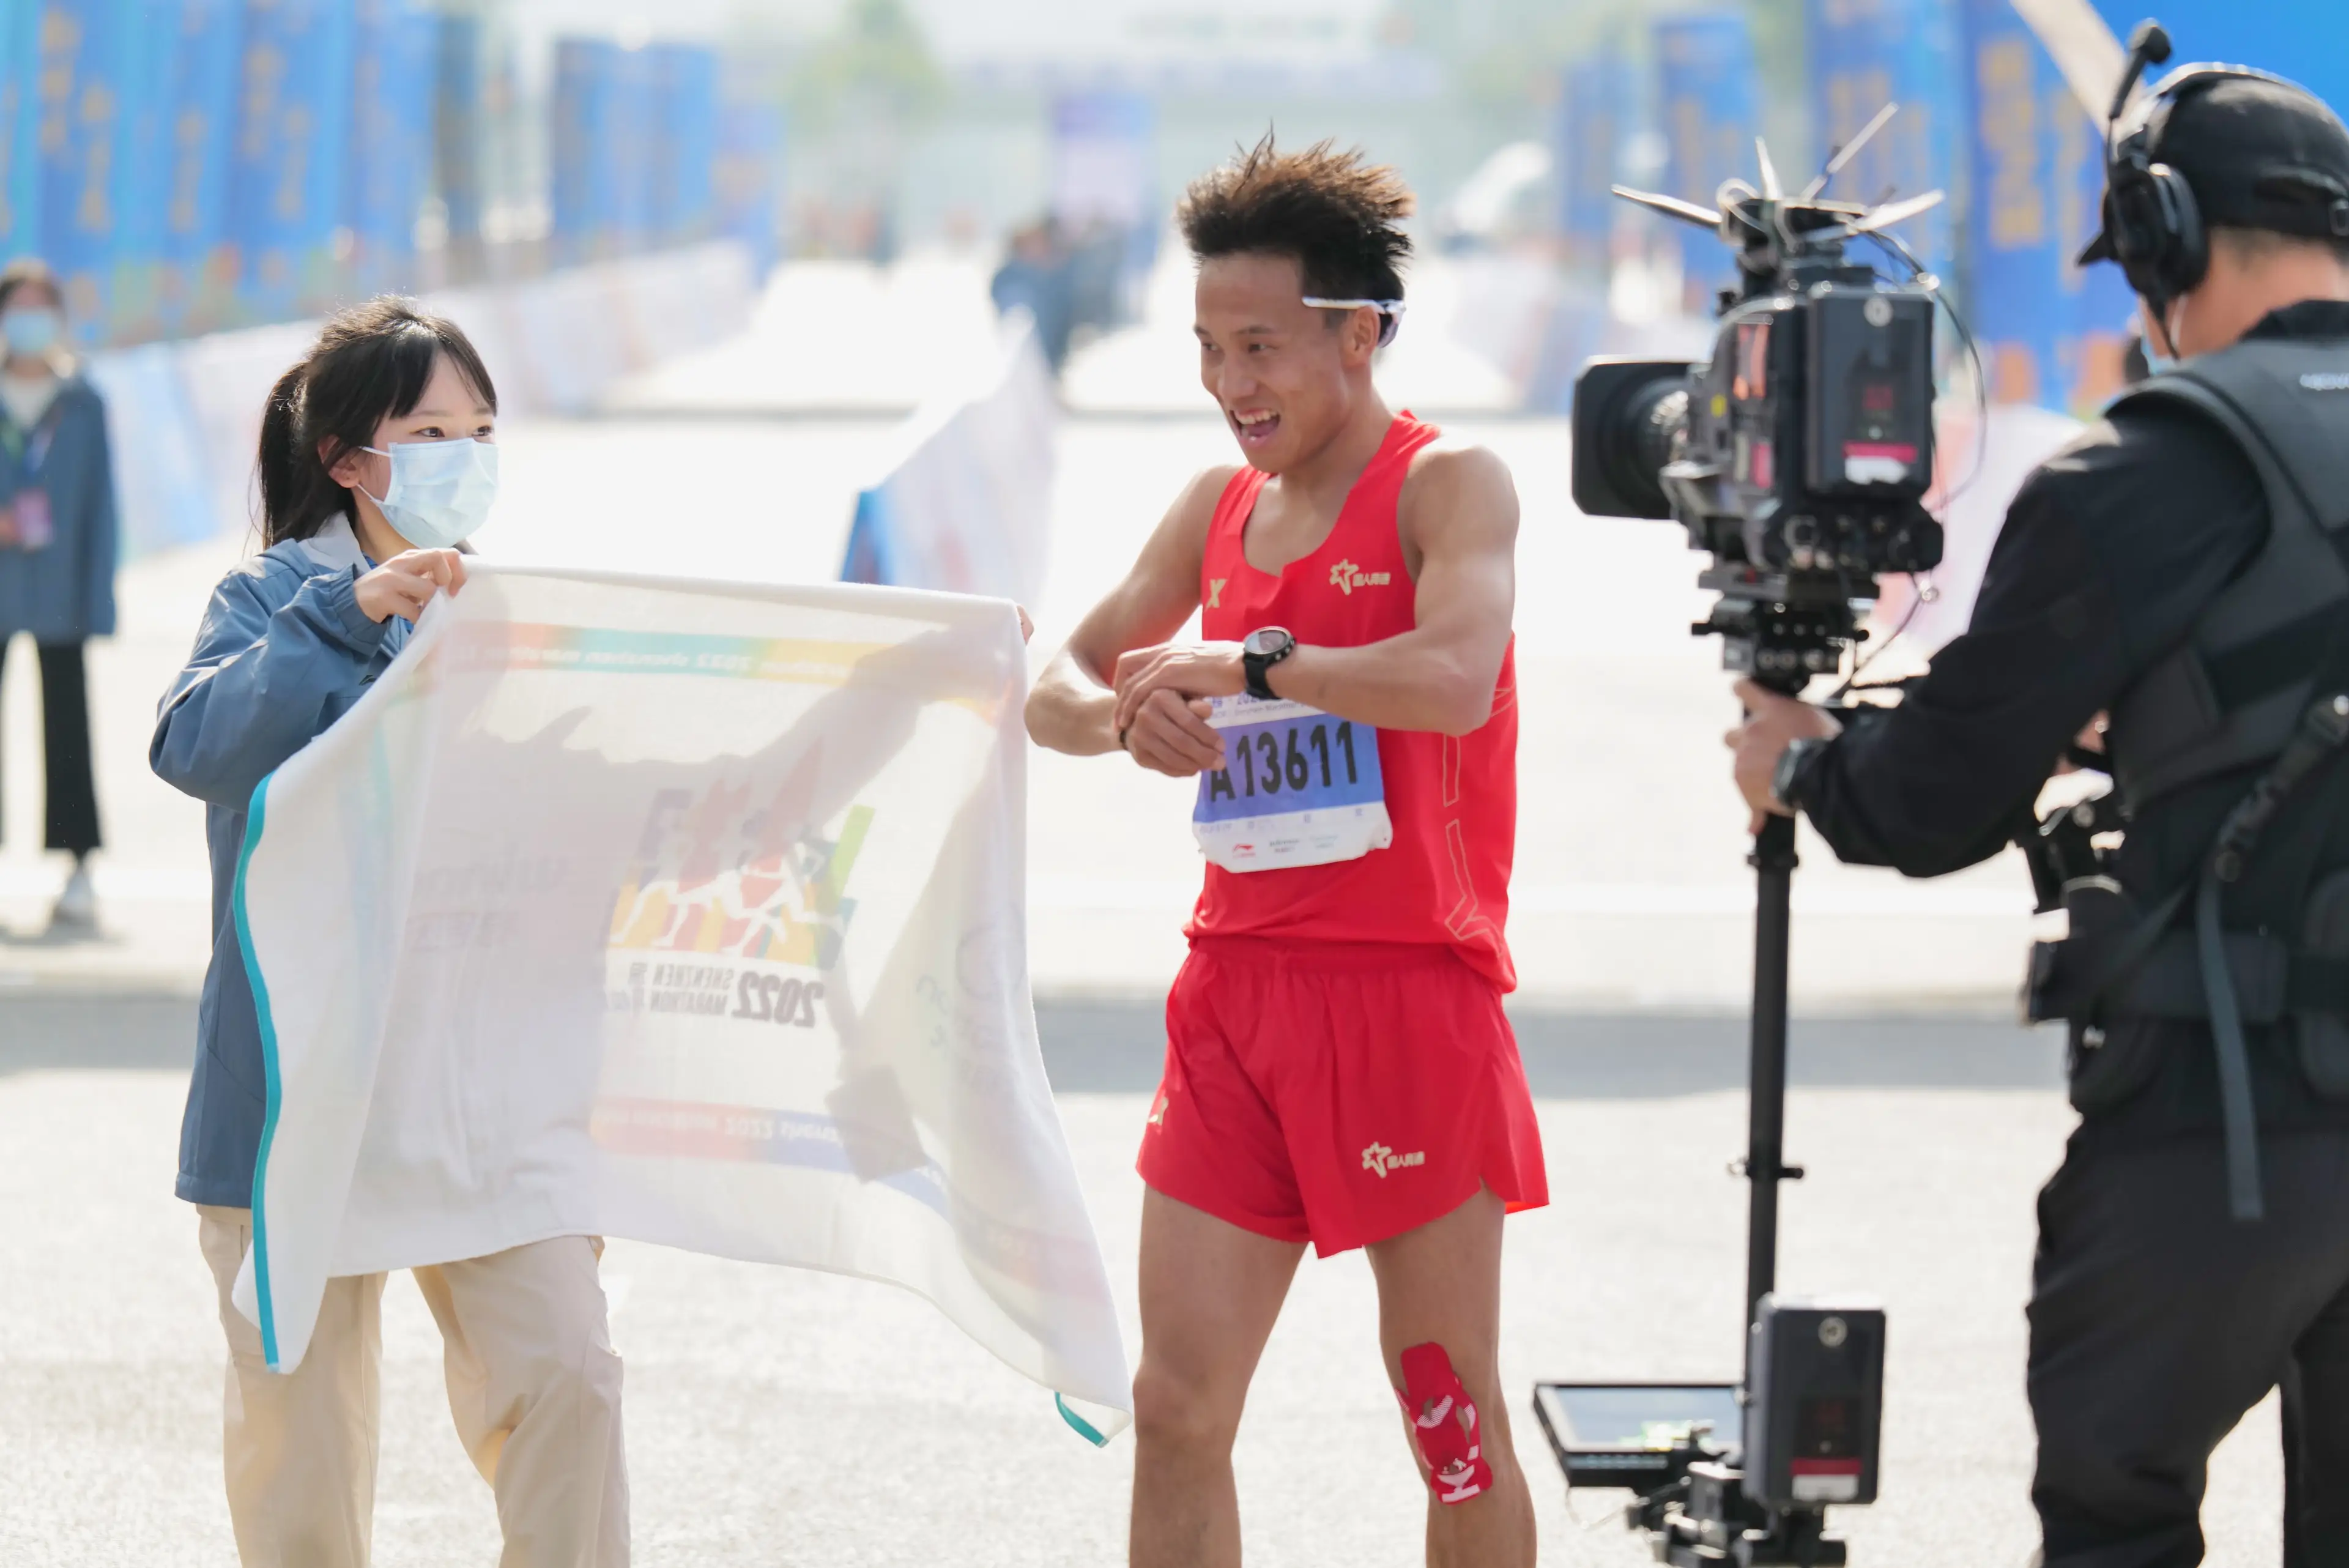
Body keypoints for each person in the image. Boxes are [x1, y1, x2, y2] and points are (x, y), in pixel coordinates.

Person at [1725, 58, 2349, 1567]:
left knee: (2117, 1516)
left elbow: (1933, 799)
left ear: (2163, 238)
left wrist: (1802, 766)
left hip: (2230, 1120)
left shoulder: (2147, 468)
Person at [1025, 137, 1545, 1567]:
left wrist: (1250, 664)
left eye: (1259, 347)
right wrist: (1124, 718)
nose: (1230, 383)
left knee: (1446, 1417)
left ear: (1357, 332)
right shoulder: (1215, 507)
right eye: (1207, 347)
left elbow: (1453, 678)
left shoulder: (1451, 485)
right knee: (1173, 1406)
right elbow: (1052, 686)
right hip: (1234, 1001)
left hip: (1407, 997)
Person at [152, 298, 626, 1567]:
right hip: (298, 1092)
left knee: (569, 1374)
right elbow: (194, 747)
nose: (465, 455)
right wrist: (346, 615)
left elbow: (610, 812)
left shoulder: (513, 615)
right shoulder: (273, 599)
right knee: (300, 1450)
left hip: (479, 1087)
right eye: (430, 432)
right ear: (349, 460)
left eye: (482, 429)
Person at [0, 258, 114, 928]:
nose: (29, 320)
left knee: (67, 723)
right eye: (18, 307)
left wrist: (99, 598)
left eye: (41, 307)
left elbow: (101, 507)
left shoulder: (83, 401)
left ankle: (77, 864)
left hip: (59, 587)